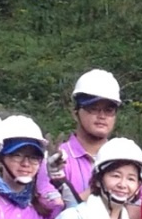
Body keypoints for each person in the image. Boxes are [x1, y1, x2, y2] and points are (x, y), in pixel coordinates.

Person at [51, 69, 122, 201]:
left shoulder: (124, 157)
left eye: (109, 110)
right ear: (75, 112)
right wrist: (97, 188)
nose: (102, 116)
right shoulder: (57, 159)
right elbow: (52, 215)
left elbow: (137, 213)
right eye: (93, 108)